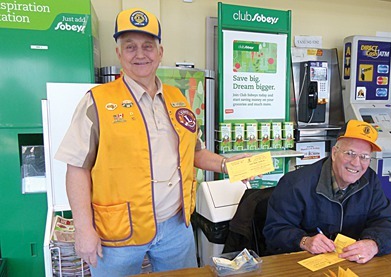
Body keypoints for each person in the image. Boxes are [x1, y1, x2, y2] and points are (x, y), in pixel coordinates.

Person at [55, 8, 248, 276]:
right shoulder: (97, 101)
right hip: (116, 232)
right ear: (119, 53)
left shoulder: (177, 98)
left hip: (175, 226)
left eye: (148, 46)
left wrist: (228, 164)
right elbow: (77, 168)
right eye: (130, 47)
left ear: (160, 52)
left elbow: (195, 152)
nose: (140, 54)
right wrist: (84, 229)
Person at [263, 119, 391, 264]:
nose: (356, 163)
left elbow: (388, 222)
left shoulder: (370, 180)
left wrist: (373, 244)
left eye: (364, 157)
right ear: (334, 153)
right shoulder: (295, 184)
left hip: (350, 265)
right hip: (303, 266)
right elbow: (274, 231)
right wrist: (304, 241)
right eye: (350, 153)